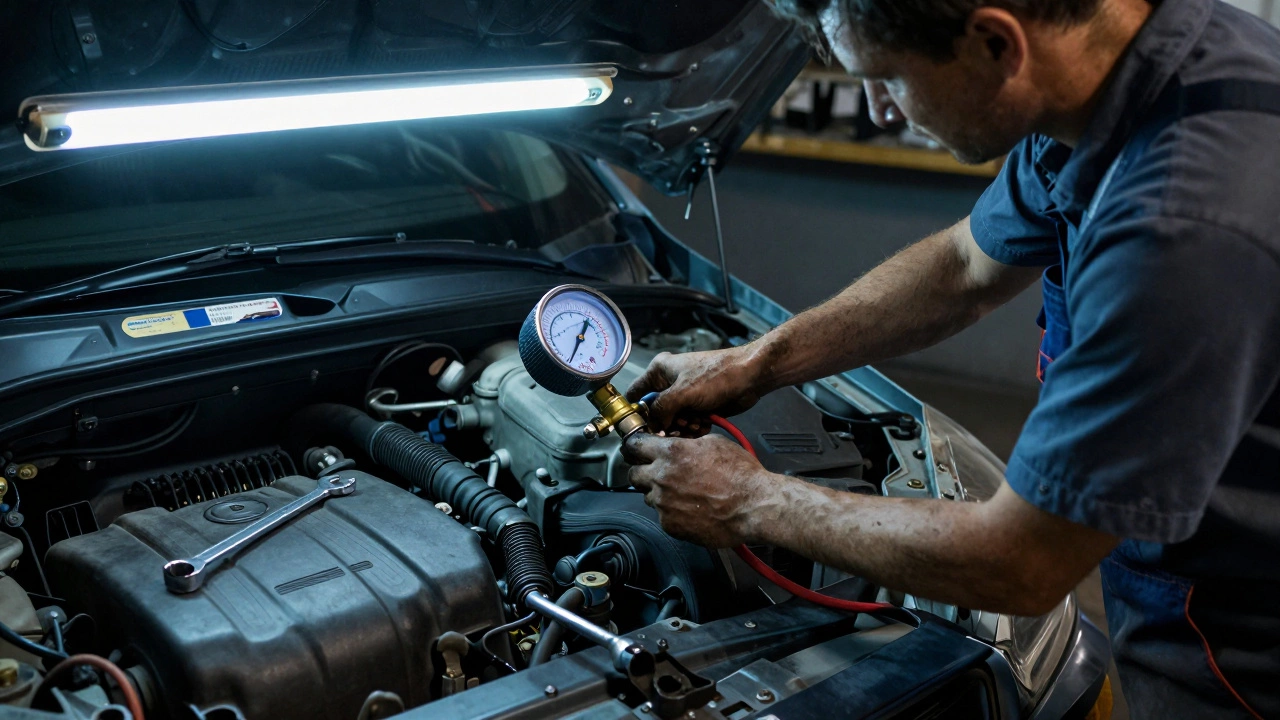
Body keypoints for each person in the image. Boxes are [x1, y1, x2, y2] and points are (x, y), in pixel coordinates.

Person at [621, 0, 1280, 717]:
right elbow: (966, 268)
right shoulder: (1108, 76)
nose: (879, 110)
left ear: (997, 43)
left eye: (889, 79)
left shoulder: (1181, 231)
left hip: (1236, 652)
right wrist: (756, 362)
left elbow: (1019, 562)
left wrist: (748, 499)